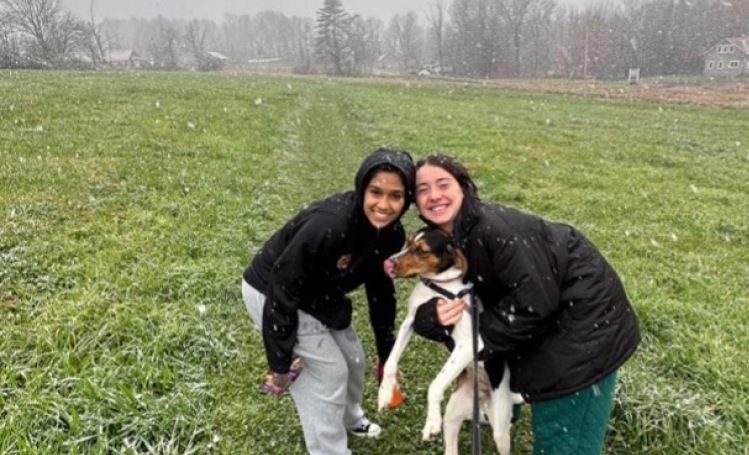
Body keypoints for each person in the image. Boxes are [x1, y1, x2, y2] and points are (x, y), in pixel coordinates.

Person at [411, 153, 641, 455]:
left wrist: (476, 344)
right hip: (548, 315)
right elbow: (461, 300)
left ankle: (525, 411)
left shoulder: (494, 230)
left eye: (443, 184)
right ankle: (502, 404)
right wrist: (430, 319)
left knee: (561, 436)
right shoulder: (451, 237)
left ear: (463, 188)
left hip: (584, 327)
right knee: (503, 353)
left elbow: (533, 305)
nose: (434, 195)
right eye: (423, 189)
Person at [241, 147, 415, 455]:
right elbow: (282, 285)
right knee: (328, 372)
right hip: (270, 291)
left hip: (317, 292)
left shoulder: (390, 234)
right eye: (375, 192)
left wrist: (386, 353)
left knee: (353, 359)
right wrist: (280, 363)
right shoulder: (330, 225)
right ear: (362, 187)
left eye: (396, 196)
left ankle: (350, 419)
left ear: (407, 199)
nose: (384, 205)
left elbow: (380, 291)